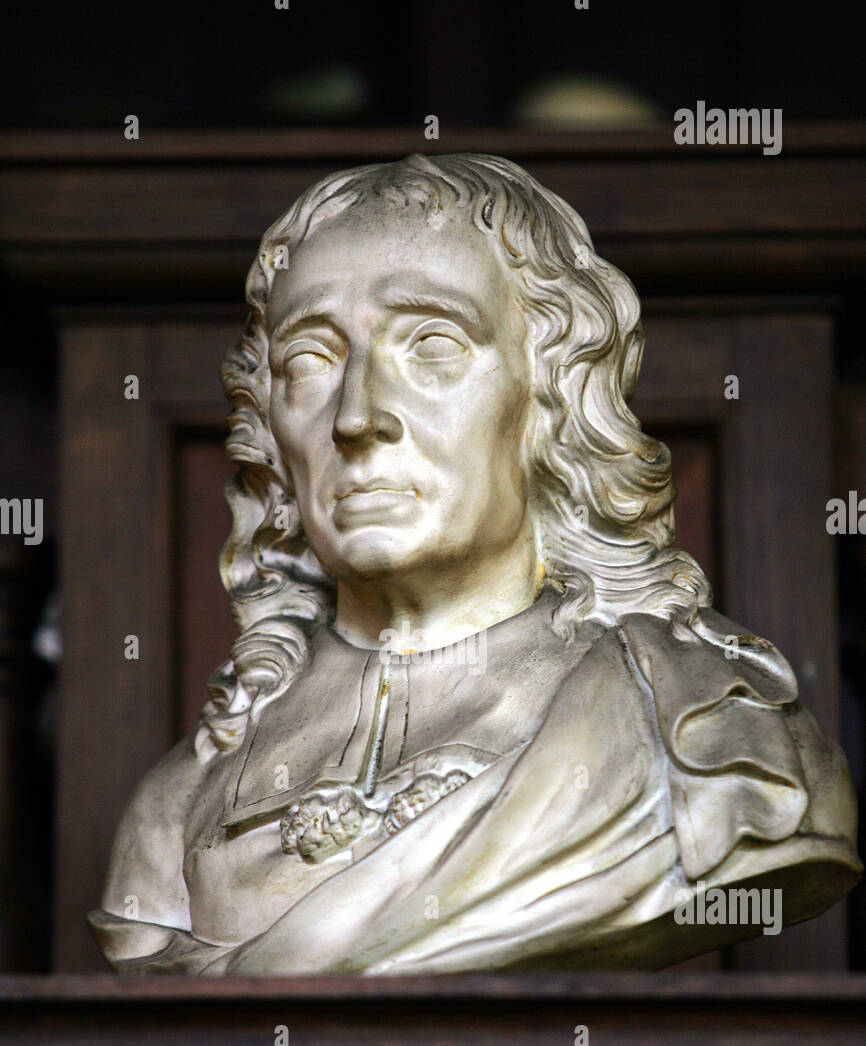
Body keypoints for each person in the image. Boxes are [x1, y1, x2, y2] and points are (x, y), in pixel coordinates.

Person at [89, 153, 860, 974]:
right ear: (270, 426)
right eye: (309, 360)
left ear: (551, 395)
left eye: (432, 344)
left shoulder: (698, 723)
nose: (357, 417)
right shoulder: (176, 808)